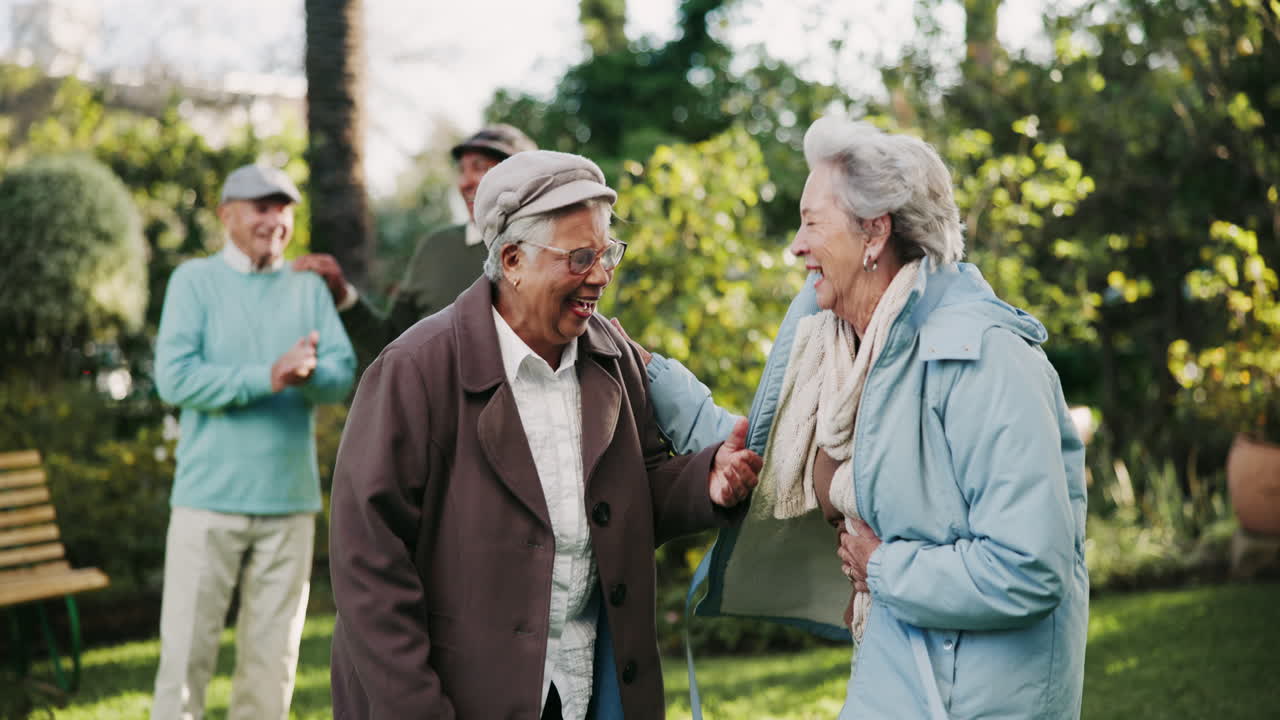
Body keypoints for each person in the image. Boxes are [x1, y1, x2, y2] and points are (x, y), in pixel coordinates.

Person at [622, 117, 1089, 719]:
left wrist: (883, 567)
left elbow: (1029, 568)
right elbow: (769, 464)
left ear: (874, 232)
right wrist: (649, 373)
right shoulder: (845, 354)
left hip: (979, 701)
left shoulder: (983, 358)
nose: (796, 245)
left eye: (812, 222)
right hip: (894, 678)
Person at [327, 150, 763, 720]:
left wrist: (705, 481)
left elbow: (632, 488)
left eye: (607, 253)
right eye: (580, 258)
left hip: (581, 687)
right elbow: (369, 568)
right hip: (456, 696)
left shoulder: (610, 355)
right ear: (513, 260)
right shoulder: (415, 369)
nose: (601, 276)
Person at [150, 164, 356, 720]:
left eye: (283, 209)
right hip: (206, 501)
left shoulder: (308, 287)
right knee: (185, 658)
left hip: (288, 502)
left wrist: (309, 374)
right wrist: (268, 376)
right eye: (261, 208)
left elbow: (342, 375)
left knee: (272, 662)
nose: (274, 221)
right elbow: (175, 379)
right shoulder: (194, 282)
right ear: (227, 215)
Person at [294, 123, 537, 363]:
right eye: (461, 170)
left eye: (480, 167)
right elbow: (393, 342)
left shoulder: (543, 250)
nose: (465, 182)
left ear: (521, 178)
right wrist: (342, 295)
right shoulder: (435, 248)